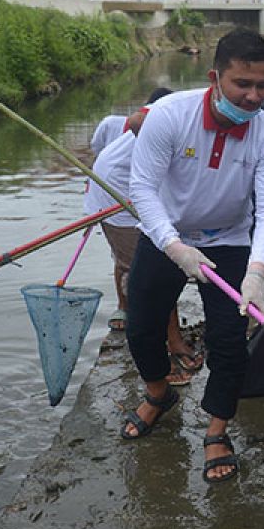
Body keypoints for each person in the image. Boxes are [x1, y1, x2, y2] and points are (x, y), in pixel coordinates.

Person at [123, 28, 264, 483]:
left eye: (263, 85)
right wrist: (175, 248)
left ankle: (217, 428)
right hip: (167, 236)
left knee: (231, 343)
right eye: (243, 84)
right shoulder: (169, 115)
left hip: (230, 242)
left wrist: (258, 272)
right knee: (140, 326)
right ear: (216, 77)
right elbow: (142, 187)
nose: (254, 96)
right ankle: (159, 393)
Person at [84, 93, 203, 385]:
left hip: (123, 184)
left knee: (134, 261)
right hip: (115, 189)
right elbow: (140, 120)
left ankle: (137, 316)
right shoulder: (183, 113)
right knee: (157, 272)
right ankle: (169, 345)